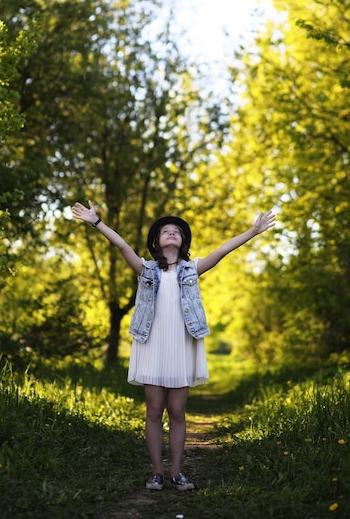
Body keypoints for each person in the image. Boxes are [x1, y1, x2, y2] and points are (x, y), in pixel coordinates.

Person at [71, 200, 276, 491]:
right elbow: (122, 246)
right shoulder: (146, 269)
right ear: (156, 242)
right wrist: (96, 222)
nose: (171, 232)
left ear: (183, 242)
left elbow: (222, 250)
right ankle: (156, 472)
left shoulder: (192, 269)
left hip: (180, 346)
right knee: (154, 410)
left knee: (178, 412)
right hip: (152, 345)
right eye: (165, 230)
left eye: (176, 231)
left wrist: (253, 231)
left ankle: (176, 472)